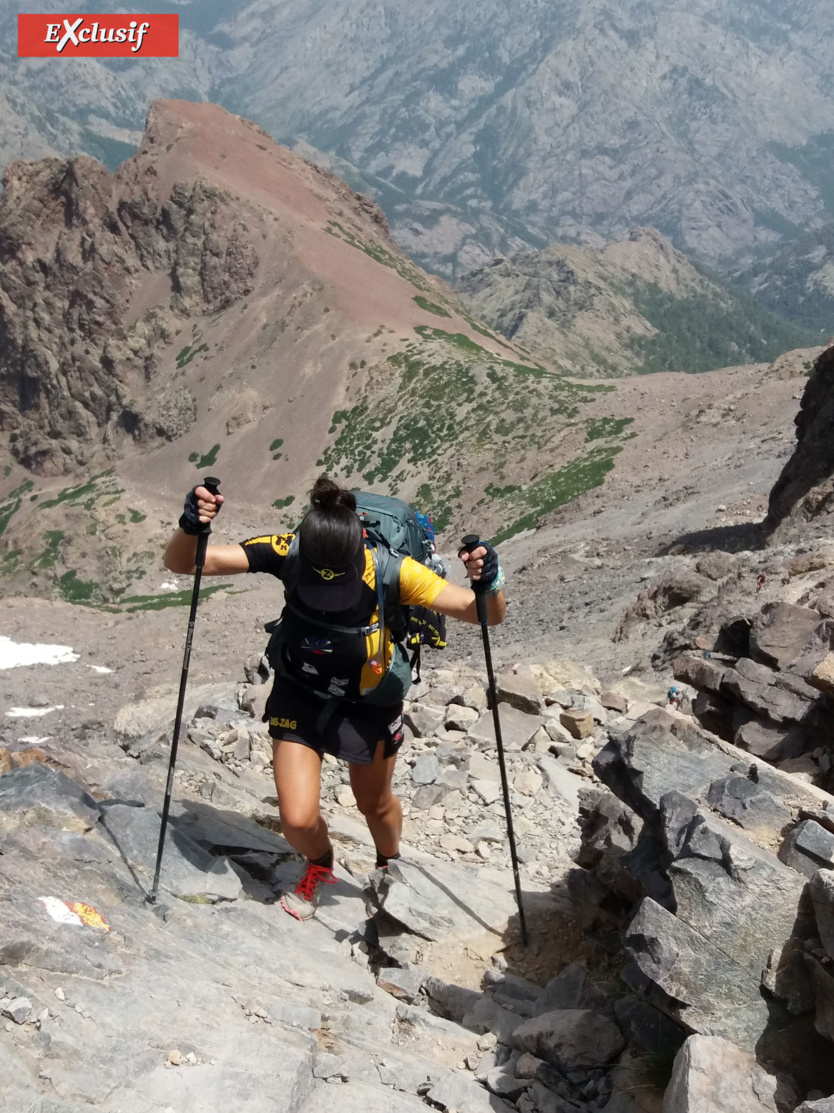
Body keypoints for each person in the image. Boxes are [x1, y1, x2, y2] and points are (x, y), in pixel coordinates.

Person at [164, 476, 506, 921]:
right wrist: (191, 525)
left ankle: (388, 863)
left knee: (374, 805)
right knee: (297, 819)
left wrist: (490, 581)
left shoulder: (391, 569)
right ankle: (320, 864)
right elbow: (188, 563)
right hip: (299, 689)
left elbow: (484, 615)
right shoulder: (289, 549)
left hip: (369, 697)